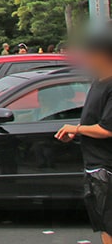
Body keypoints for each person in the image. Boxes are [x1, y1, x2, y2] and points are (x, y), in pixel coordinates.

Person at [55, 29, 112, 243]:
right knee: (104, 223)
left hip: (106, 167)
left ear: (104, 54)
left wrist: (77, 129)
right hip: (94, 164)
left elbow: (107, 129)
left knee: (109, 221)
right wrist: (76, 131)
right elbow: (93, 122)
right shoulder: (99, 82)